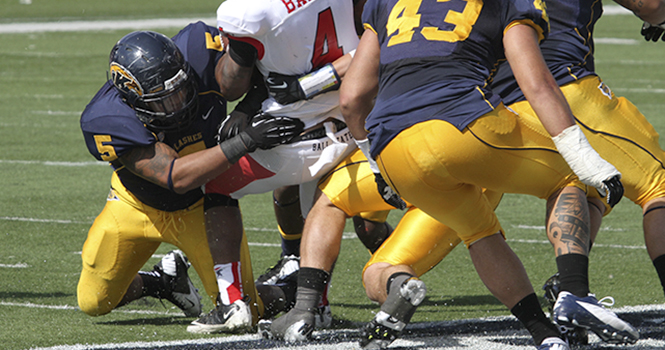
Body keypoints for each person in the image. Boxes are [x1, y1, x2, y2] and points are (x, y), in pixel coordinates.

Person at [330, 0, 635, 349]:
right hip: (460, 123)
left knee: (478, 231)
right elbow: (537, 83)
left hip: (391, 149)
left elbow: (352, 97)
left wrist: (374, 165)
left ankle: (545, 334)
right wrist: (587, 159)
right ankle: (575, 294)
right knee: (569, 177)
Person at [78, 24, 302, 329]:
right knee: (93, 301)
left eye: (182, 88)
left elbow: (269, 70)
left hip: (202, 207)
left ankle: (295, 291)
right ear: (133, 100)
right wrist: (246, 140)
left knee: (247, 310)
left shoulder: (200, 48)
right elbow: (177, 176)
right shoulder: (107, 119)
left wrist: (246, 109)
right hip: (135, 205)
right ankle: (164, 282)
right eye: (163, 99)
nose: (180, 101)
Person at [209, 0, 371, 329]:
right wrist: (313, 83)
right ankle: (318, 305)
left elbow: (230, 85)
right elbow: (375, 40)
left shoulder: (249, 11)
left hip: (290, 140)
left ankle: (232, 301)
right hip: (349, 131)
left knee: (212, 187)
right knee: (321, 212)